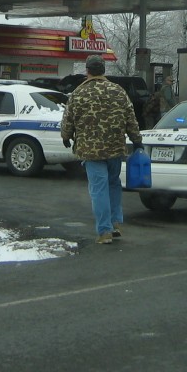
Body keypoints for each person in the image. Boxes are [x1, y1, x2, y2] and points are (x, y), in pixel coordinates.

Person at [60, 55, 143, 244]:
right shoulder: (118, 91)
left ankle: (104, 231)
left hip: (91, 151)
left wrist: (66, 136)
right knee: (113, 184)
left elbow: (68, 119)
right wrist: (137, 140)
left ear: (87, 70)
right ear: (104, 70)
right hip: (115, 148)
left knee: (99, 189)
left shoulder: (79, 93)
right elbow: (131, 118)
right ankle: (115, 224)